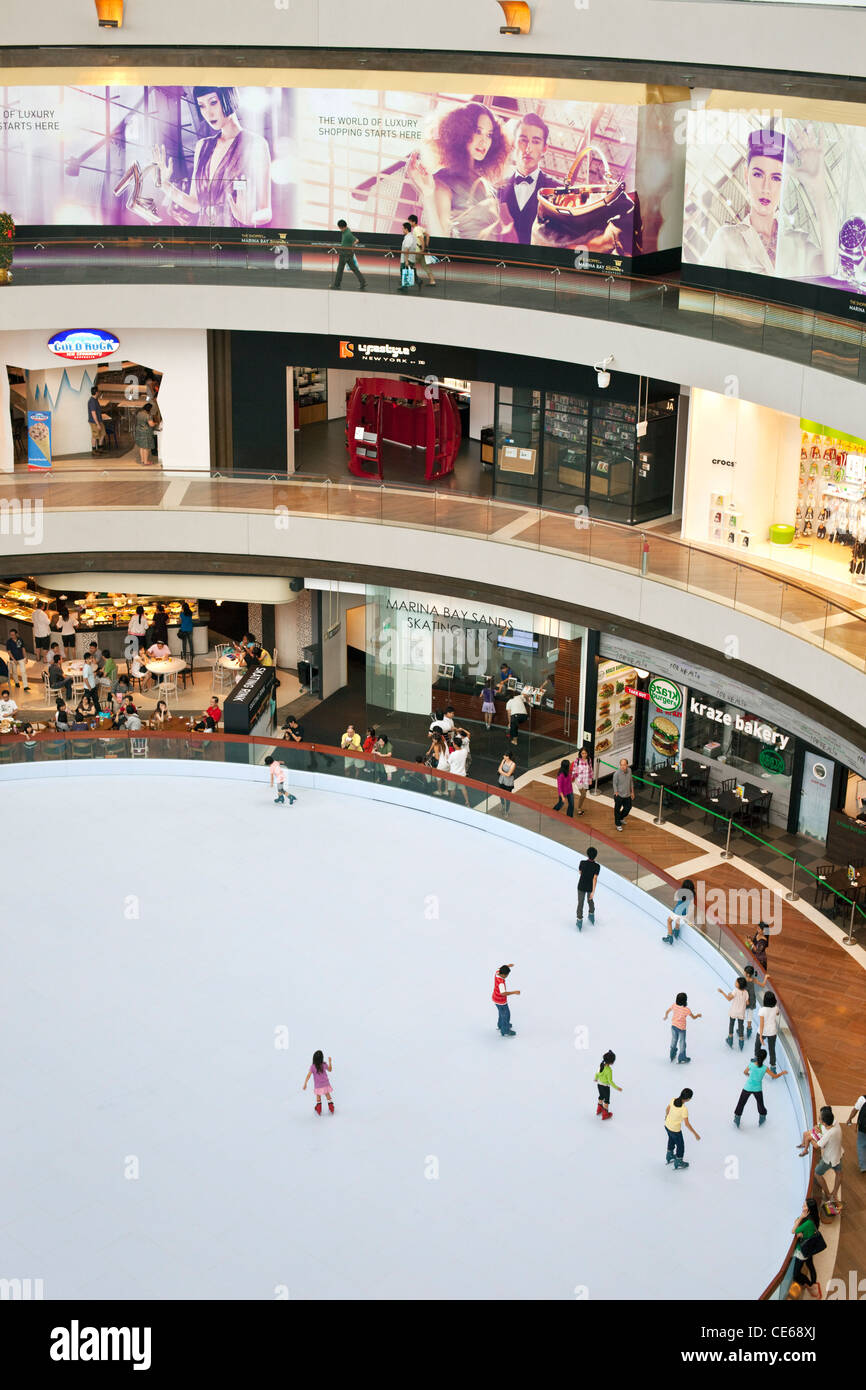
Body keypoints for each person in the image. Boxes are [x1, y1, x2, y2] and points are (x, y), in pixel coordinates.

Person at [701, 126, 832, 279]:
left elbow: (832, 271)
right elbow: (702, 288)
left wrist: (819, 189)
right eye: (758, 174)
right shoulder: (726, 238)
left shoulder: (798, 243)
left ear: (785, 182)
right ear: (745, 174)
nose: (766, 188)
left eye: (776, 178)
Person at [154, 86, 272, 229]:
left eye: (213, 102)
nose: (208, 113)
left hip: (236, 238)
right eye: (202, 106)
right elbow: (195, 205)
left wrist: (250, 218)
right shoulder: (202, 146)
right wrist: (164, 185)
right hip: (204, 238)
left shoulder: (256, 144)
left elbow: (266, 211)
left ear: (229, 99)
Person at [406, 100, 511, 241]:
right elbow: (439, 241)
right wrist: (428, 195)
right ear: (461, 132)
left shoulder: (483, 181)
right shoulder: (444, 180)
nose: (484, 141)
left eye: (489, 135)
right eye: (478, 131)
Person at [497, 112, 558, 244]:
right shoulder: (497, 188)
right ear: (514, 144)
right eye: (523, 140)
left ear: (544, 149)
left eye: (536, 142)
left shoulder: (557, 191)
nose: (528, 148)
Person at [733, 1047, 788, 1128]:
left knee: (741, 1103)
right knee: (760, 1104)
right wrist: (782, 1073)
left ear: (757, 1056)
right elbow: (775, 1076)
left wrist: (749, 1075)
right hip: (758, 1089)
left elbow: (745, 1072)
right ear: (765, 1058)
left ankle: (737, 1118)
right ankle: (762, 1117)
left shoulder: (751, 1064)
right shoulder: (765, 1068)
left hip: (747, 1087)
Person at [789, 1197, 825, 1300]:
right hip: (810, 1247)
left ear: (809, 1209)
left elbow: (793, 1230)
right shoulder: (813, 1217)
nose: (802, 1207)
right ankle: (814, 1284)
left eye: (805, 1206)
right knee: (810, 1265)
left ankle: (810, 1285)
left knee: (796, 1274)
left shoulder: (808, 1222)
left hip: (803, 1250)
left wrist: (800, 1218)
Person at [809, 1106, 844, 1211]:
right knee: (839, 1173)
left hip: (828, 1159)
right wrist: (818, 1127)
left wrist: (811, 1137)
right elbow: (823, 1128)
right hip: (838, 1154)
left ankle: (828, 1194)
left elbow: (816, 1145)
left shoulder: (829, 1134)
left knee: (817, 1173)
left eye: (820, 1119)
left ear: (824, 1122)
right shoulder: (835, 1123)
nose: (819, 1120)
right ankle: (834, 1193)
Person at [665, 1089, 699, 1170]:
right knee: (680, 1146)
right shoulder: (684, 1109)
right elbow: (687, 1124)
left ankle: (669, 1155)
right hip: (675, 1130)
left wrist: (666, 1117)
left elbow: (667, 1109)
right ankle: (679, 1161)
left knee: (671, 1139)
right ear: (688, 1099)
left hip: (667, 1126)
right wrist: (695, 1134)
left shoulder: (673, 1100)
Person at [664, 992, 702, 1064]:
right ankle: (682, 1057)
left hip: (673, 1027)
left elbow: (667, 1011)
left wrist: (666, 1016)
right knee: (682, 1043)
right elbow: (693, 1017)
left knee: (674, 1040)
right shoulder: (686, 1009)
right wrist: (698, 1015)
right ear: (685, 1001)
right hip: (682, 1029)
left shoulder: (674, 1005)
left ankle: (672, 1053)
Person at [332, 219, 367, 290]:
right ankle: (363, 282)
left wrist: (351, 246)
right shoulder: (347, 230)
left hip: (345, 253)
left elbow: (355, 240)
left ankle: (336, 285)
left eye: (340, 228)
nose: (340, 229)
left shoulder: (347, 234)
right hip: (348, 253)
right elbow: (356, 240)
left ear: (343, 227)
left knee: (340, 270)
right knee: (354, 269)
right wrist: (351, 246)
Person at [719, 976, 750, 1051]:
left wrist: (722, 992)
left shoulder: (735, 991)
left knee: (731, 1024)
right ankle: (741, 1042)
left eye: (736, 982)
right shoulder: (746, 992)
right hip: (741, 1012)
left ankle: (730, 1040)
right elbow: (747, 1003)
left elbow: (729, 999)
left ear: (739, 985)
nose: (735, 983)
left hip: (734, 1011)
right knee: (740, 1026)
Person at [662, 878, 696, 946]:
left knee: (669, 921)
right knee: (678, 922)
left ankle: (670, 936)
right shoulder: (692, 894)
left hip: (677, 912)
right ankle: (676, 933)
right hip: (684, 914)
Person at [302, 1050, 334, 1116]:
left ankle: (319, 1108)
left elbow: (308, 1075)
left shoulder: (313, 1067)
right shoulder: (324, 1064)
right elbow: (330, 1070)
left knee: (318, 1096)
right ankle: (331, 1107)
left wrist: (305, 1083)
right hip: (326, 1083)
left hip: (318, 1085)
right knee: (327, 1094)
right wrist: (330, 1062)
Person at [408, 213, 435, 286]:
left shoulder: (416, 229)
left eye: (410, 221)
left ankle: (414, 280)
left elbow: (421, 238)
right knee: (425, 266)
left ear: (413, 222)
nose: (409, 223)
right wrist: (426, 245)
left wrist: (423, 248)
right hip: (421, 251)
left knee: (410, 264)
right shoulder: (420, 228)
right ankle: (432, 281)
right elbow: (428, 235)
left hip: (417, 251)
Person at [576, 847, 600, 930]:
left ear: (587, 854)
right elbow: (595, 879)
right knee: (590, 901)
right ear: (595, 856)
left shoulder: (582, 863)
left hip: (581, 885)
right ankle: (591, 914)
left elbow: (580, 872)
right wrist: (593, 891)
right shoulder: (597, 866)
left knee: (580, 903)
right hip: (590, 886)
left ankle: (579, 920)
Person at [492, 963, 519, 1037]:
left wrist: (507, 966)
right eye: (507, 975)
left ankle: (500, 1025)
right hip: (501, 1001)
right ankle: (505, 1030)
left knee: (501, 1013)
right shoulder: (501, 983)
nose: (507, 976)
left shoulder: (497, 972)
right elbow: (503, 993)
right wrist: (514, 992)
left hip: (495, 998)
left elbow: (500, 967)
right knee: (506, 1015)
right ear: (503, 974)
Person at [756, 989, 780, 1069]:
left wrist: (760, 1036)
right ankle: (773, 1066)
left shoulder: (762, 1010)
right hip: (772, 1032)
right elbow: (777, 1013)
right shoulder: (775, 1008)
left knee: (757, 1046)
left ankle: (756, 1059)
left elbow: (762, 1025)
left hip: (762, 1032)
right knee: (772, 1050)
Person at [594, 1049, 622, 1120]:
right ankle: (605, 1114)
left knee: (601, 1096)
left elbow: (597, 1073)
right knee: (606, 1100)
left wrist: (596, 1078)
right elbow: (610, 1081)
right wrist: (617, 1087)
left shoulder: (601, 1064)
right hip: (605, 1087)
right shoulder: (609, 1070)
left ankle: (599, 1109)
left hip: (599, 1085)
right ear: (611, 1062)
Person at [846, 1091, 866, 1174]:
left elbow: (854, 1110)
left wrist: (849, 1119)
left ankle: (863, 1166)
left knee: (861, 1145)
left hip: (863, 1127)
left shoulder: (863, 1099)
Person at [447, 734, 470, 805]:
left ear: (455, 745)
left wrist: (447, 757)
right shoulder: (465, 751)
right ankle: (467, 802)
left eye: (453, 743)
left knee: (452, 789)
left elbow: (448, 762)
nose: (452, 744)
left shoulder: (453, 754)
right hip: (462, 774)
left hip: (453, 774)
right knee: (463, 788)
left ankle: (451, 801)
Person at [612, 757, 633, 832]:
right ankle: (618, 824)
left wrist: (632, 792)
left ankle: (620, 818)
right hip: (619, 795)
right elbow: (614, 783)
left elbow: (631, 781)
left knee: (628, 808)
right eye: (621, 765)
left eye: (624, 765)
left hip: (627, 795)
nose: (622, 766)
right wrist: (616, 792)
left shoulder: (630, 770)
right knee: (617, 810)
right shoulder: (616, 774)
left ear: (627, 765)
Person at [571, 746, 592, 816]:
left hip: (586, 780)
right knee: (583, 794)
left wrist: (590, 779)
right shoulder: (577, 760)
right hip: (579, 780)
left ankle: (580, 806)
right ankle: (579, 808)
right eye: (582, 753)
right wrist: (572, 778)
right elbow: (574, 770)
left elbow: (590, 770)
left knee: (584, 795)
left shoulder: (589, 759)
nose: (584, 755)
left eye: (585, 753)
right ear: (580, 754)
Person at [398, 220, 417, 292]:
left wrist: (406, 261)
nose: (402, 230)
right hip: (409, 258)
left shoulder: (409, 238)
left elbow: (407, 249)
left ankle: (404, 287)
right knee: (406, 273)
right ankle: (404, 286)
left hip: (407, 259)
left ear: (406, 229)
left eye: (403, 228)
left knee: (404, 272)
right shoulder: (410, 236)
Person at [87, 386, 107, 452]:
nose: (99, 393)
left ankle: (100, 448)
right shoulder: (92, 401)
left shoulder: (95, 400)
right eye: (98, 392)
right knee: (95, 435)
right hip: (94, 422)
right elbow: (93, 413)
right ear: (96, 392)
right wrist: (97, 424)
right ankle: (94, 450)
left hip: (99, 421)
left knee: (102, 434)